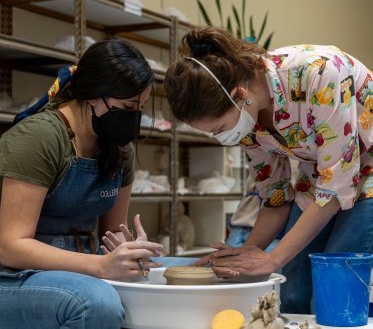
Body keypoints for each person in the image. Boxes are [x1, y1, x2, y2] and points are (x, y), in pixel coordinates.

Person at [163, 26, 373, 313]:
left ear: (240, 95)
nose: (221, 138)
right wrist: (242, 256)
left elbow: (336, 188)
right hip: (321, 175)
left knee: (338, 275)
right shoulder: (247, 119)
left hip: (367, 167)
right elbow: (276, 198)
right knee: (291, 283)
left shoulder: (318, 74)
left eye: (219, 129)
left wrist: (271, 259)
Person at [0, 39, 164, 328]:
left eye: (141, 107)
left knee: (162, 277)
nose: (134, 117)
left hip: (79, 267)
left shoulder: (120, 148)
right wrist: (100, 266)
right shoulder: (40, 137)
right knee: (96, 303)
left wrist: (128, 249)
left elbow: (112, 233)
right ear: (92, 96)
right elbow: (11, 247)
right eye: (128, 106)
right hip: (13, 274)